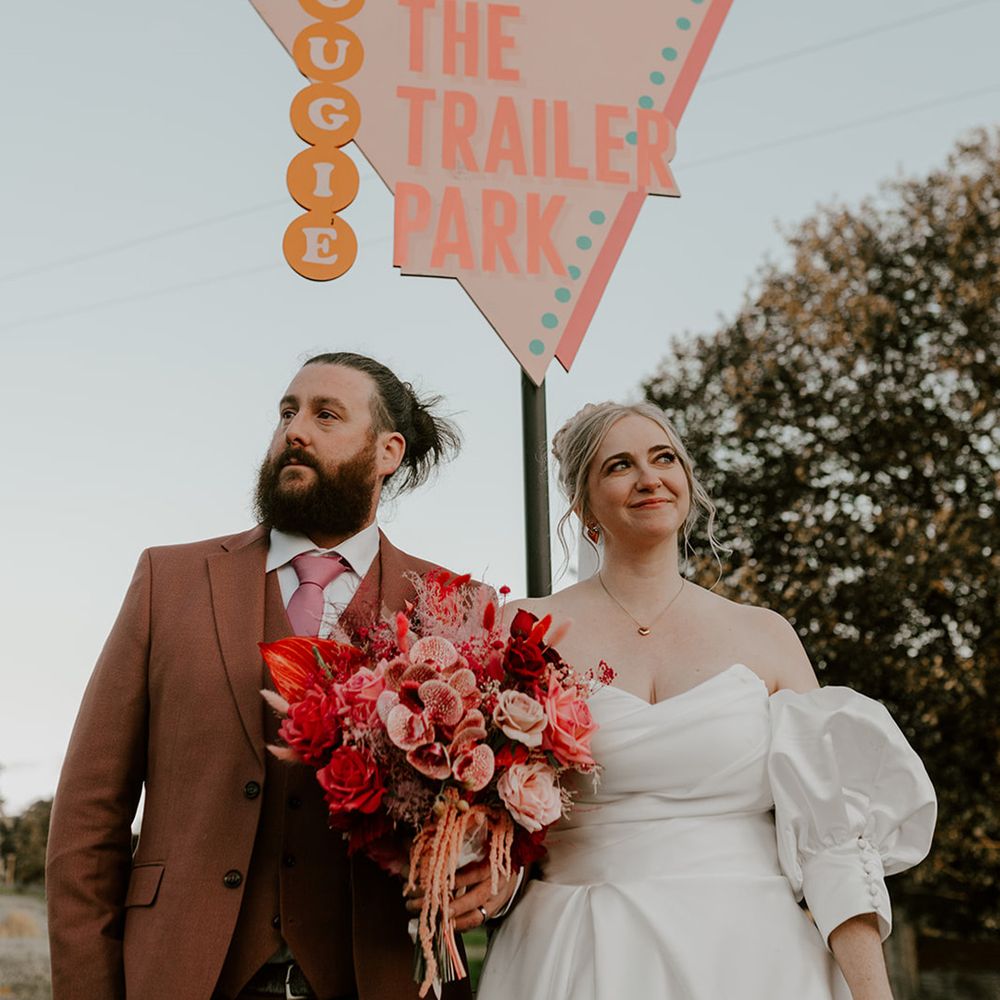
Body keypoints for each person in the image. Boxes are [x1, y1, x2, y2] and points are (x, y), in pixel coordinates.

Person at [46, 352, 517, 1000]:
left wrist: (499, 874)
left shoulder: (454, 605)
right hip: (183, 975)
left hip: (382, 975)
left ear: (388, 451)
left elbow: (504, 809)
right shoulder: (168, 581)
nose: (294, 430)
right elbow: (88, 818)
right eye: (287, 413)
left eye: (326, 415)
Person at [477, 401, 937, 1000]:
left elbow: (833, 842)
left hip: (756, 955)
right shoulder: (521, 630)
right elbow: (484, 814)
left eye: (663, 458)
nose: (649, 477)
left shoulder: (765, 635)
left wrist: (874, 995)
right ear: (584, 504)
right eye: (619, 465)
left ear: (688, 482)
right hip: (574, 947)